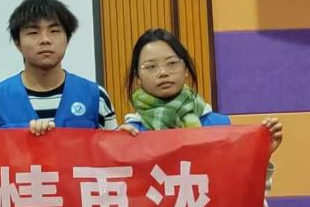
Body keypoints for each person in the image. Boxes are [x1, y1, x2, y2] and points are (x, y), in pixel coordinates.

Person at [120, 28, 282, 185]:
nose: (163, 72)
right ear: (138, 77)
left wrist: (263, 154)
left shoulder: (219, 126)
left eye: (171, 63)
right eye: (151, 67)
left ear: (185, 69)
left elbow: (240, 191)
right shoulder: (131, 134)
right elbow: (123, 196)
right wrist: (118, 151)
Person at [0, 0, 117, 136]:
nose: (45, 40)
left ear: (67, 39)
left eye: (54, 31)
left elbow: (114, 148)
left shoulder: (96, 97)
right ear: (17, 43)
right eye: (33, 32)